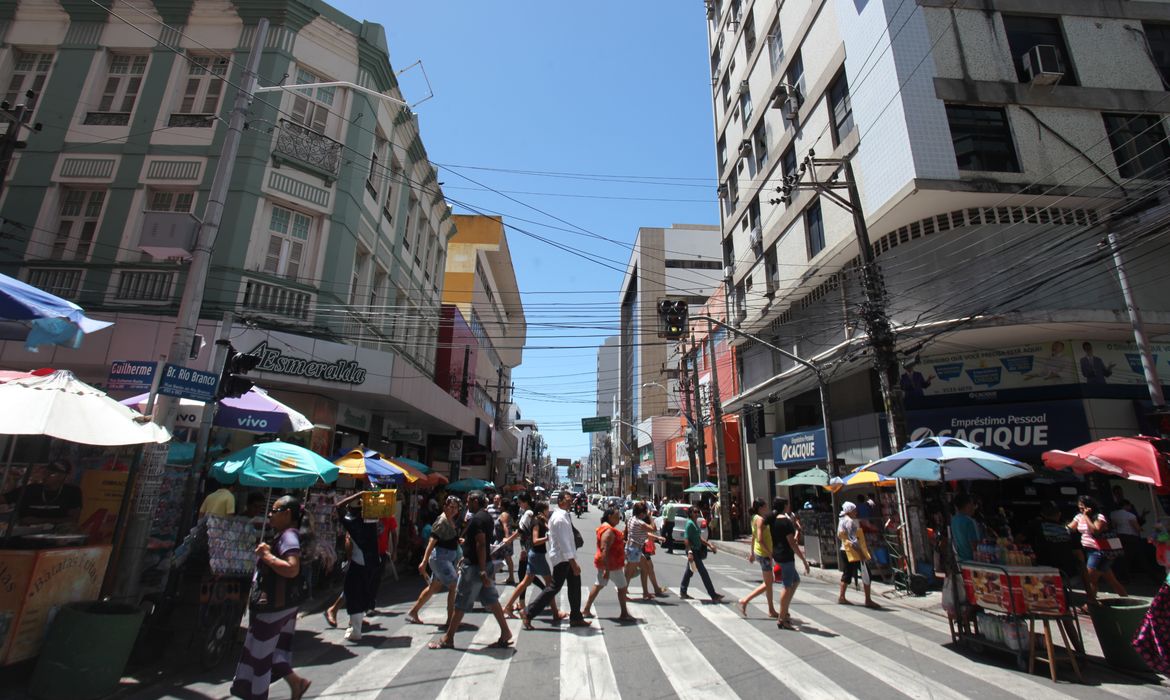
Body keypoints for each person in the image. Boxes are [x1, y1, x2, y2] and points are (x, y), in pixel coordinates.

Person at [230, 495, 311, 700]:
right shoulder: (287, 534)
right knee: (271, 651)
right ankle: (296, 682)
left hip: (275, 605)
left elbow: (292, 569)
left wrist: (266, 556)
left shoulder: (289, 537)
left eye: (274, 511)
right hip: (284, 605)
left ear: (287, 514)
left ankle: (257, 695)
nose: (269, 515)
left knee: (259, 656)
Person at [429, 491, 513, 649]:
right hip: (483, 564)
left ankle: (448, 638)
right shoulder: (486, 517)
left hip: (475, 568)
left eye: (468, 501)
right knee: (492, 600)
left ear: (475, 501)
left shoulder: (478, 519)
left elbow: (481, 544)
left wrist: (481, 570)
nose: (466, 504)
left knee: (460, 602)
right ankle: (505, 631)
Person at [521, 490, 588, 628]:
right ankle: (528, 612)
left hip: (566, 557)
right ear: (560, 501)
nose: (571, 501)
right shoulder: (560, 518)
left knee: (574, 584)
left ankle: (576, 617)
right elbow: (563, 542)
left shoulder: (562, 516)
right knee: (553, 587)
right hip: (563, 558)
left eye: (571, 499)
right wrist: (573, 562)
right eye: (568, 499)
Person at [406, 496, 462, 626]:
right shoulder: (442, 521)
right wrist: (424, 561)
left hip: (446, 557)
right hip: (441, 558)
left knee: (434, 587)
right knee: (453, 585)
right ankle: (450, 620)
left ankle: (414, 611)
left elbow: (446, 538)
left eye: (456, 508)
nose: (454, 510)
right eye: (451, 507)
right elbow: (432, 541)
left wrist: (456, 541)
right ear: (445, 507)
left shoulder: (450, 520)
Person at [502, 501, 563, 619]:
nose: (548, 511)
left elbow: (550, 528)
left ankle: (508, 607)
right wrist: (547, 538)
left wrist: (545, 520)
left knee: (525, 583)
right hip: (537, 556)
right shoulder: (536, 522)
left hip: (535, 555)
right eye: (546, 510)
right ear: (541, 510)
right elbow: (535, 540)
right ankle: (555, 613)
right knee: (550, 585)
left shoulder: (539, 520)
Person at [333, 492, 380, 641]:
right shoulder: (372, 522)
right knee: (363, 594)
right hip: (372, 563)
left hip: (358, 562)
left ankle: (356, 630)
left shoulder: (352, 522)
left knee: (353, 594)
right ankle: (355, 628)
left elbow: (338, 506)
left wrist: (359, 494)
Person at [1068, 495, 1127, 605]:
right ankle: (1125, 599)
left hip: (1100, 551)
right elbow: (1071, 528)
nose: (1081, 510)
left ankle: (1090, 603)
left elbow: (1095, 530)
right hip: (1088, 550)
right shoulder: (1078, 516)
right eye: (1079, 508)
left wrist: (1086, 517)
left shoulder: (1099, 517)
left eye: (1083, 507)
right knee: (1111, 580)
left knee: (1090, 578)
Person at [582, 507, 633, 621]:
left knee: (599, 584)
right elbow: (604, 549)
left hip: (608, 563)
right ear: (609, 516)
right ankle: (624, 613)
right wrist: (606, 569)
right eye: (616, 516)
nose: (619, 519)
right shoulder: (608, 530)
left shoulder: (606, 527)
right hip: (611, 564)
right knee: (622, 587)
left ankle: (586, 609)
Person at [3, 460, 83, 526]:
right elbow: (5, 498)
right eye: (45, 472)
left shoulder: (72, 492)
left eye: (51, 474)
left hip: (57, 534)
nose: (46, 475)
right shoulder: (31, 489)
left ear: (63, 477)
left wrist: (39, 521)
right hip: (24, 534)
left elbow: (73, 519)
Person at [771, 497, 811, 628]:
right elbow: (792, 543)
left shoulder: (773, 520)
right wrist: (804, 560)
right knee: (786, 585)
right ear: (784, 506)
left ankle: (785, 610)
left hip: (777, 554)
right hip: (786, 556)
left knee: (795, 580)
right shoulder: (785, 522)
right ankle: (782, 617)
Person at [738, 499, 777, 618]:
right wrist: (770, 553)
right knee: (768, 582)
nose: (767, 509)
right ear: (760, 508)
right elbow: (759, 538)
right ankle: (746, 600)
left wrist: (752, 553)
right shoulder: (760, 520)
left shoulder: (754, 518)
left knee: (769, 583)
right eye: (765, 507)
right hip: (764, 553)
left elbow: (754, 537)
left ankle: (771, 609)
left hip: (759, 552)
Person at [1022, 501, 1080, 581]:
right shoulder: (1067, 529)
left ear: (1042, 514)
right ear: (1059, 514)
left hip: (1045, 569)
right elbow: (1079, 555)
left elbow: (1020, 538)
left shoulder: (1035, 525)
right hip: (1068, 571)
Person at [838, 501, 880, 609]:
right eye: (854, 510)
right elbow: (854, 541)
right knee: (867, 574)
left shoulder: (841, 520)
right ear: (850, 510)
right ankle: (868, 600)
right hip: (853, 551)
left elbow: (841, 536)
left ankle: (842, 597)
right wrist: (862, 554)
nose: (856, 512)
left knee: (847, 574)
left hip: (844, 550)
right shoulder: (849, 522)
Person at [680, 505, 723, 603]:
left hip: (696, 551)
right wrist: (690, 552)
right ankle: (713, 594)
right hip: (693, 551)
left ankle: (683, 591)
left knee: (689, 572)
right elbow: (686, 539)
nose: (697, 514)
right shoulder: (689, 524)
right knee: (704, 573)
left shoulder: (695, 523)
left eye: (697, 512)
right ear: (690, 513)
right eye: (694, 512)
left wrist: (709, 545)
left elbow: (699, 538)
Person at [623, 501, 666, 600]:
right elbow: (653, 528)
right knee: (629, 573)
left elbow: (643, 533)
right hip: (634, 550)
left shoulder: (631, 519)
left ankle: (645, 593)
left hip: (633, 549)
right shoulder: (640, 522)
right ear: (642, 513)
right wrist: (650, 516)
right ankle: (623, 593)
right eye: (644, 513)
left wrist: (657, 538)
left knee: (645, 568)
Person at [950, 494, 981, 561]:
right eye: (973, 504)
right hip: (972, 561)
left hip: (960, 560)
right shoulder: (969, 521)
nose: (974, 507)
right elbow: (975, 546)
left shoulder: (954, 520)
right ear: (968, 505)